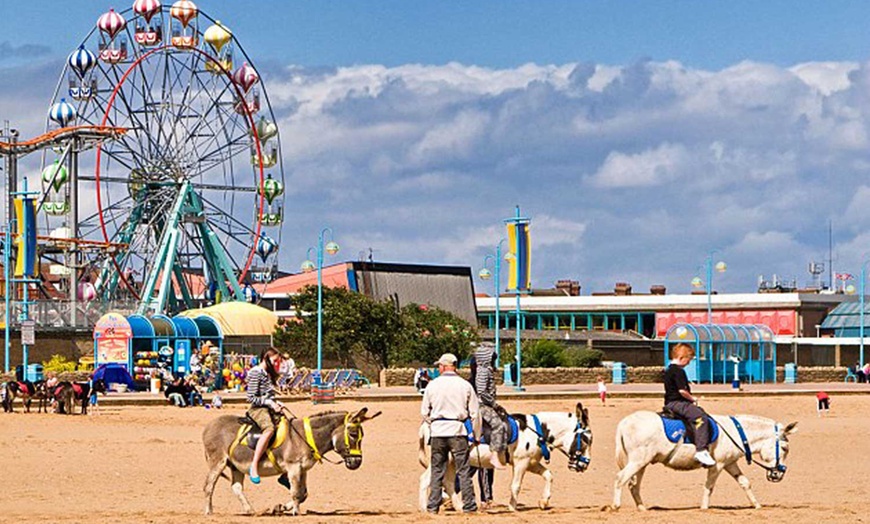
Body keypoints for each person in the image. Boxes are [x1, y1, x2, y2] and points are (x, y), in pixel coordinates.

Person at [421, 352, 480, 514]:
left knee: (437, 470)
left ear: (444, 366)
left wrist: (433, 425)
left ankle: (433, 505)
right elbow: (475, 413)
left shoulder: (432, 385)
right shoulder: (465, 385)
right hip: (457, 430)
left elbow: (424, 412)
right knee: (463, 470)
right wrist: (475, 435)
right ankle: (469, 505)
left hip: (438, 432)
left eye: (439, 365)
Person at [664, 343, 716, 467]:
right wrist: (693, 399)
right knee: (700, 417)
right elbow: (682, 391)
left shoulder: (669, 369)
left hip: (669, 402)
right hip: (678, 403)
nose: (689, 363)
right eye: (689, 360)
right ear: (682, 357)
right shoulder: (678, 371)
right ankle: (701, 450)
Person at [247, 347, 284, 484]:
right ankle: (254, 465)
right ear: (266, 358)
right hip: (258, 409)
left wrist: (276, 403)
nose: (276, 364)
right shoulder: (256, 372)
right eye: (274, 361)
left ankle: (284, 472)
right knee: (269, 429)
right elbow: (251, 398)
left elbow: (268, 395)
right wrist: (269, 402)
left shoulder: (266, 373)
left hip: (269, 407)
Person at [473, 342, 507, 470]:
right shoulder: (483, 371)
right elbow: (481, 391)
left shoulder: (486, 370)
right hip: (482, 405)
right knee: (497, 425)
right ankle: (494, 454)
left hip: (486, 403)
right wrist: (494, 404)